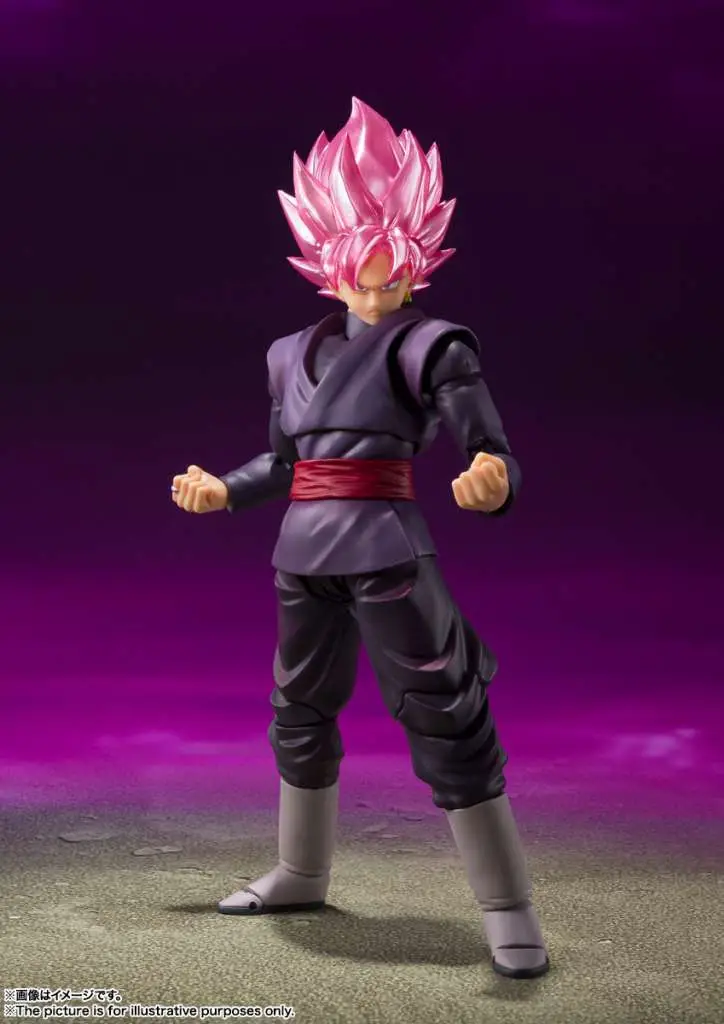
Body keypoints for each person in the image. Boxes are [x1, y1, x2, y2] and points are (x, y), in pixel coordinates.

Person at [171, 98, 549, 979]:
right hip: (302, 554)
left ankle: (508, 909)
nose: (377, 298)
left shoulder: (433, 347)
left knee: (446, 713)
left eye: (393, 283)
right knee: (298, 712)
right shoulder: (287, 355)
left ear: (417, 270)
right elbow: (285, 463)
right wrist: (224, 490)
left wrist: (491, 481)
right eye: (361, 283)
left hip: (387, 550)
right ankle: (301, 872)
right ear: (328, 269)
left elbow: (490, 448)